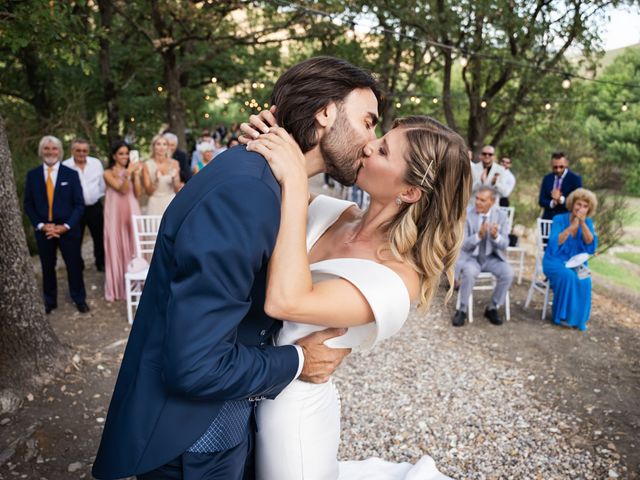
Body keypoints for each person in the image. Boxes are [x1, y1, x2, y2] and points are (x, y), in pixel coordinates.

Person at [93, 56, 383, 480]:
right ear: (325, 112)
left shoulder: (272, 179)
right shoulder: (246, 193)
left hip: (230, 422)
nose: (372, 141)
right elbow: (196, 366)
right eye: (368, 121)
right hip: (190, 444)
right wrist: (299, 361)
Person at [245, 114, 470, 479]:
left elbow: (285, 301)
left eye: (383, 150)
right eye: (378, 137)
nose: (368, 145)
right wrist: (264, 134)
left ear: (409, 191)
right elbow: (271, 185)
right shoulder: (333, 212)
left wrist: (297, 183)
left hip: (291, 417)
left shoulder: (396, 279)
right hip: (243, 382)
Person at [24, 135, 89, 314]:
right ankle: (49, 301)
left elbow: (79, 204)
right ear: (41, 151)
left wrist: (65, 226)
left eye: (54, 149)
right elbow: (28, 204)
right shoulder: (33, 175)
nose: (50, 152)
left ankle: (79, 298)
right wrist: (41, 225)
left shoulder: (71, 174)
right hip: (44, 230)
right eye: (46, 148)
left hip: (68, 230)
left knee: (74, 265)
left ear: (60, 152)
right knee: (47, 266)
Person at [451, 186, 513, 327]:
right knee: (469, 271)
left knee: (508, 272)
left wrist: (495, 236)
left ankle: (492, 307)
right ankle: (462, 309)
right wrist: (478, 236)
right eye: (477, 199)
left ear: (492, 201)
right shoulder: (466, 214)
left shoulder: (501, 216)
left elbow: (504, 245)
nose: (477, 202)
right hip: (471, 258)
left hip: (492, 257)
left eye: (482, 200)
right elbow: (463, 244)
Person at [543, 188, 597, 331]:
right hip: (554, 260)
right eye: (578, 204)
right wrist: (571, 228)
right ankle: (561, 316)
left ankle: (578, 319)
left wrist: (582, 224)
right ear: (572, 204)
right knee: (568, 276)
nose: (581, 208)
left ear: (588, 209)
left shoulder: (588, 222)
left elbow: (591, 245)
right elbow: (554, 244)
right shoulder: (559, 219)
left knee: (585, 279)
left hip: (575, 261)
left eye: (585, 206)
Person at [103, 141, 143, 302]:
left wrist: (136, 175)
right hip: (114, 211)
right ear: (114, 156)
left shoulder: (131, 171)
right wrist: (128, 172)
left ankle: (135, 283)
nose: (125, 157)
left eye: (127, 153)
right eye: (121, 153)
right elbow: (122, 189)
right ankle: (117, 286)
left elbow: (138, 193)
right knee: (115, 243)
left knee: (133, 243)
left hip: (131, 207)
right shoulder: (107, 173)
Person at [62, 138, 106, 272]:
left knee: (99, 237)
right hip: (75, 209)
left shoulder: (96, 163)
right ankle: (78, 265)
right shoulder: (65, 166)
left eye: (85, 150)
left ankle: (100, 263)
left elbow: (102, 184)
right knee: (76, 238)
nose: (82, 153)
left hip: (94, 206)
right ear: (72, 151)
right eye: (78, 150)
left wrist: (96, 196)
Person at [141, 134, 183, 216]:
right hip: (154, 203)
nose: (161, 147)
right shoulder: (147, 165)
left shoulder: (174, 163)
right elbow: (148, 192)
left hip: (171, 202)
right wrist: (156, 180)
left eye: (164, 144)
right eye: (158, 144)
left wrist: (175, 179)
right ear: (153, 147)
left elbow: (177, 189)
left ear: (167, 147)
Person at [538, 151, 582, 220]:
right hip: (548, 220)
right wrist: (552, 203)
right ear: (551, 164)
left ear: (566, 163)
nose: (558, 170)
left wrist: (561, 199)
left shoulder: (575, 179)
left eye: (561, 167)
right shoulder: (547, 178)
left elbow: (578, 202)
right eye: (555, 167)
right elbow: (541, 200)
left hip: (566, 221)